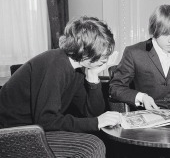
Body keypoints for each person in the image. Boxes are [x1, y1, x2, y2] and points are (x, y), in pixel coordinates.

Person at [0, 16, 121, 158]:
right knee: (91, 146)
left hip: (34, 129)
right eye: (102, 52)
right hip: (13, 133)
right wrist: (96, 122)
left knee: (96, 139)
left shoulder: (77, 68)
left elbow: (93, 114)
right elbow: (46, 120)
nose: (106, 58)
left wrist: (93, 76)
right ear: (84, 50)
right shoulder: (55, 64)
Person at [109, 4, 170, 111]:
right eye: (166, 34)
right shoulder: (134, 53)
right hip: (148, 115)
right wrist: (142, 97)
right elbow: (115, 87)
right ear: (154, 31)